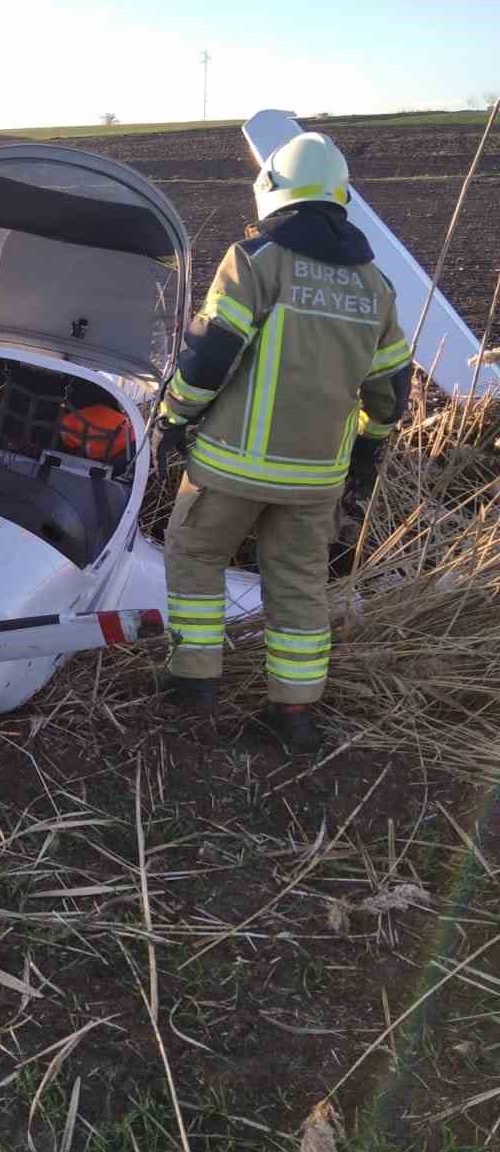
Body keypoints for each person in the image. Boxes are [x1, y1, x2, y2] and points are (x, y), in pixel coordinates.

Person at [149, 131, 412, 751]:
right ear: (340, 196)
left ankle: (193, 686)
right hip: (316, 480)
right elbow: (392, 389)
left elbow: (212, 351)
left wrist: (174, 419)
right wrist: (367, 454)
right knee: (298, 586)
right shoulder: (375, 287)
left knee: (194, 557)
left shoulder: (256, 260)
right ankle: (294, 715)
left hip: (230, 469)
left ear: (272, 191)